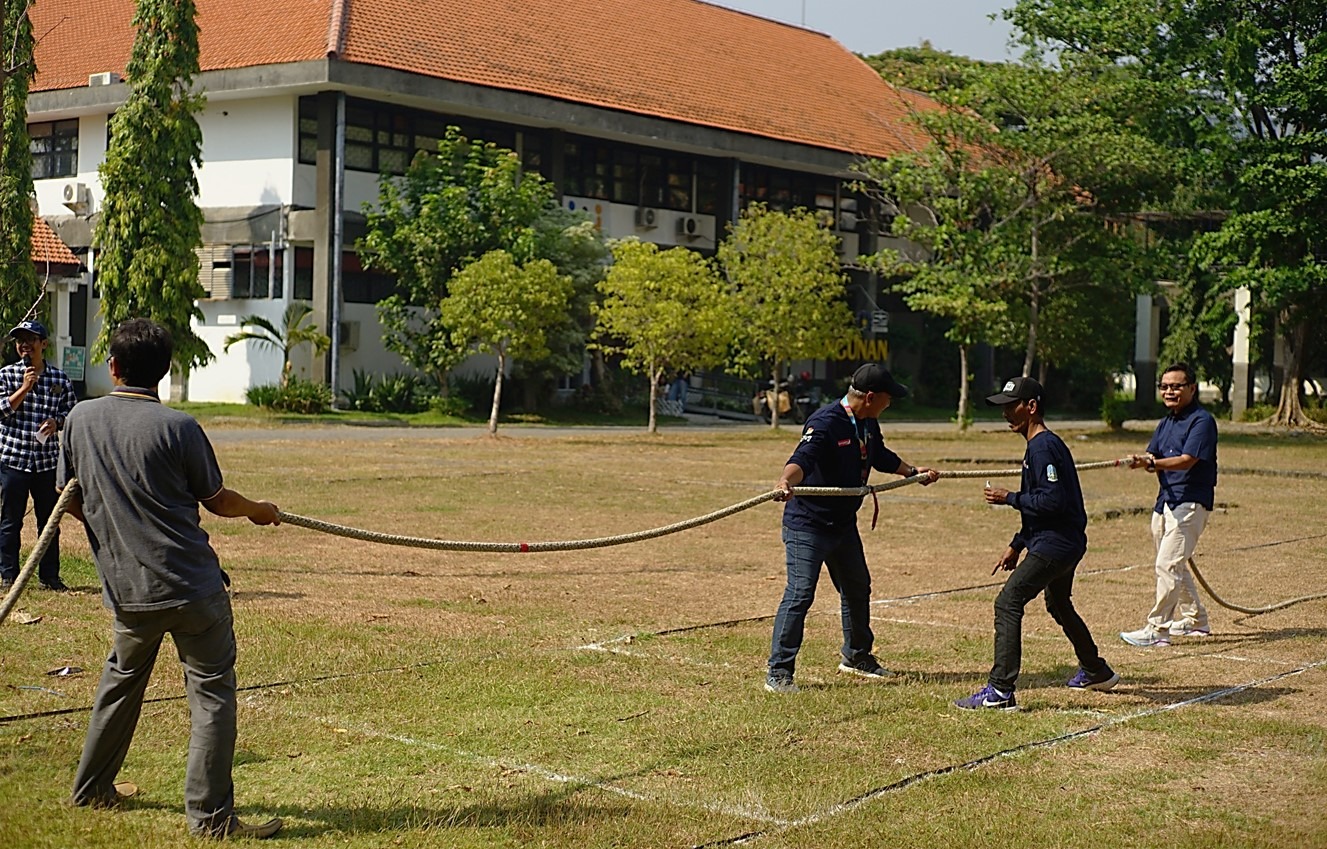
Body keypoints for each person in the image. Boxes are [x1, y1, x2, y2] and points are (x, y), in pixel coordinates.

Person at [59, 318, 283, 839]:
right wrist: (259, 510)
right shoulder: (179, 427)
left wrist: (118, 531)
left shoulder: (79, 418)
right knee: (212, 695)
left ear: (113, 366)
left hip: (129, 592)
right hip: (193, 589)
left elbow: (70, 499)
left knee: (120, 684)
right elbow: (217, 500)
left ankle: (91, 788)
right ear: (164, 371)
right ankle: (211, 818)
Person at [765, 363, 939, 694]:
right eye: (888, 397)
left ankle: (857, 657)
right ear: (871, 397)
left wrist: (911, 472)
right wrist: (785, 481)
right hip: (809, 524)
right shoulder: (825, 422)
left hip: (843, 524)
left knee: (857, 588)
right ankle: (779, 672)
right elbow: (803, 458)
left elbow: (879, 455)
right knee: (800, 594)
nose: (891, 403)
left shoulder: (868, 422)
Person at [956, 377, 1118, 711]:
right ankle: (1096, 670)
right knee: (1058, 604)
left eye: (1010, 406)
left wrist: (1009, 497)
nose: (1005, 414)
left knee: (1008, 602)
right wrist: (1017, 544)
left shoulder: (1043, 447)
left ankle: (1000, 691)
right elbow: (1041, 506)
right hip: (1063, 541)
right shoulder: (1038, 446)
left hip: (1056, 544)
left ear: (1031, 407)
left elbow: (1052, 501)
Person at [1120, 362, 1218, 648]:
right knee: (1173, 563)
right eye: (1164, 387)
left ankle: (1157, 629)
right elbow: (1153, 454)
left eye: (1176, 386)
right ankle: (1195, 620)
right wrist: (1141, 459)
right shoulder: (1166, 422)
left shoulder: (1202, 421)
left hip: (1189, 502)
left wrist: (1152, 463)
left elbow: (1187, 460)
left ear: (1192, 388)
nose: (1169, 391)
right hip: (1165, 501)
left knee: (1167, 564)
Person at [0, 319, 77, 592]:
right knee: (10, 521)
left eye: (30, 340)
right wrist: (24, 388)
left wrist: (57, 422)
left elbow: (72, 413)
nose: (24, 345)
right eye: (20, 341)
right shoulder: (6, 375)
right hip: (14, 460)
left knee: (49, 522)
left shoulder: (59, 379)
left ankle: (50, 576)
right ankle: (8, 575)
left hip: (46, 463)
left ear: (43, 344)